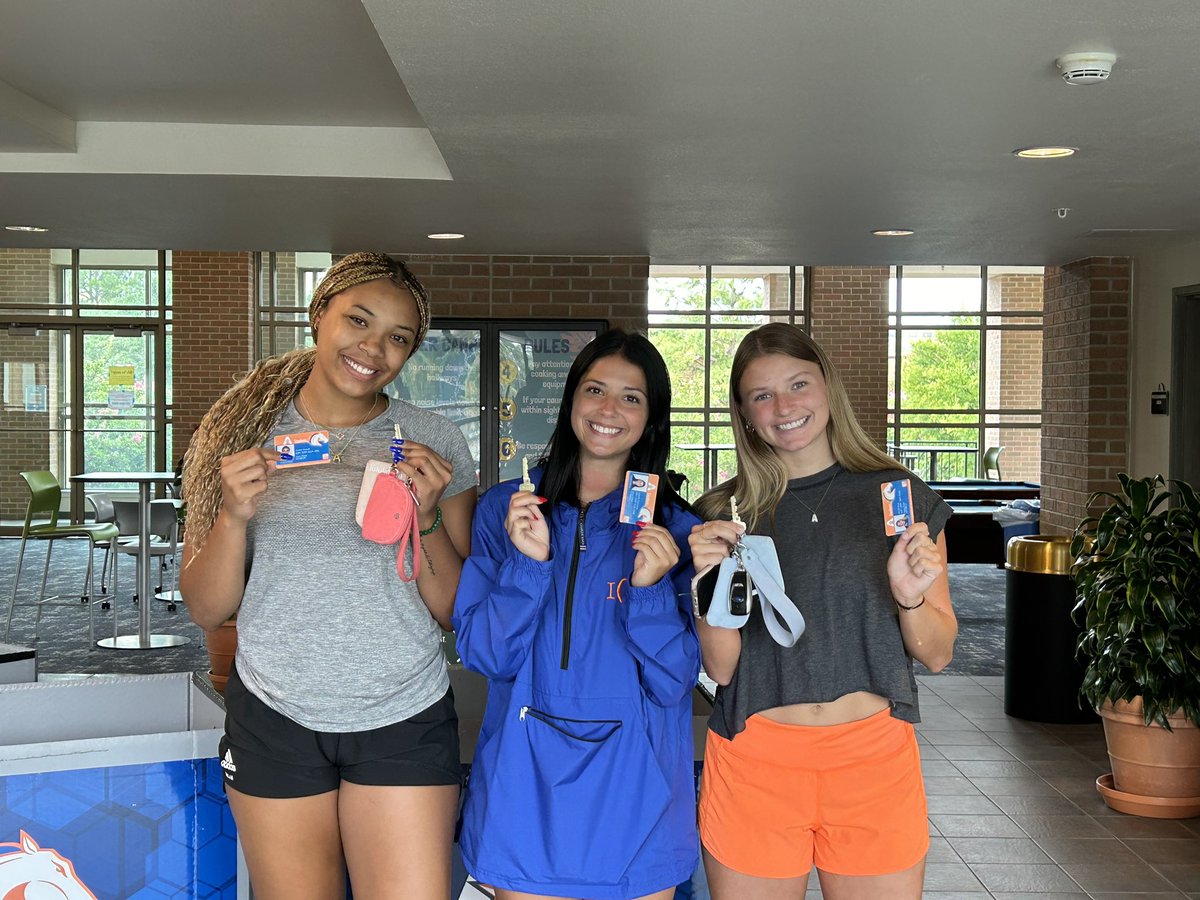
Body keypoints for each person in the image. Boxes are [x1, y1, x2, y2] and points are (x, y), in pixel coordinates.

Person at [179, 252, 477, 900]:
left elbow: (458, 610)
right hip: (275, 715)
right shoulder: (240, 432)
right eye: (358, 321)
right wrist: (232, 515)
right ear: (320, 315)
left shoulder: (434, 440)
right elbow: (205, 607)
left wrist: (424, 517)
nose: (374, 348)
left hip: (404, 713)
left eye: (398, 338)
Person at [688, 322, 957, 900]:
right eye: (762, 395)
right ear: (745, 413)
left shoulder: (898, 497)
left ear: (827, 389)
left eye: (798, 384)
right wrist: (709, 587)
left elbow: (937, 652)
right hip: (755, 758)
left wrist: (908, 593)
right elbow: (722, 669)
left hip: (872, 760)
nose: (784, 407)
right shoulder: (724, 513)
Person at [453, 330, 702, 900]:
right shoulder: (506, 510)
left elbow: (674, 684)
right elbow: (486, 655)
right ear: (571, 402)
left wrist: (649, 591)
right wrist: (528, 567)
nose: (608, 410)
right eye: (595, 389)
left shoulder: (677, 531)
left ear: (652, 417)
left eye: (631, 397)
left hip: (640, 795)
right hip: (524, 787)